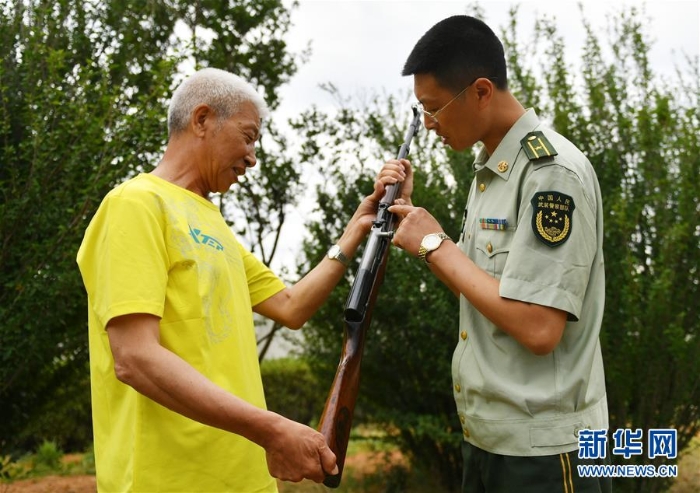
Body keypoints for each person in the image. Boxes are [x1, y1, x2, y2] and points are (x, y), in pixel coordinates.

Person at [76, 67, 390, 492]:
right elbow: (135, 358)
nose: (253, 157)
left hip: (245, 479)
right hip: (168, 481)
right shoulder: (136, 204)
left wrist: (357, 228)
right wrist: (271, 429)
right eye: (248, 136)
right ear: (202, 120)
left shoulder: (213, 224)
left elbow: (291, 305)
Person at [380, 16, 611, 492]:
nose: (427, 124)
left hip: (545, 454)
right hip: (489, 439)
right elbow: (484, 289)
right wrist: (412, 217)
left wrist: (433, 245)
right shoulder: (492, 171)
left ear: (481, 91)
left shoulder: (551, 174)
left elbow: (538, 326)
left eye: (434, 107)